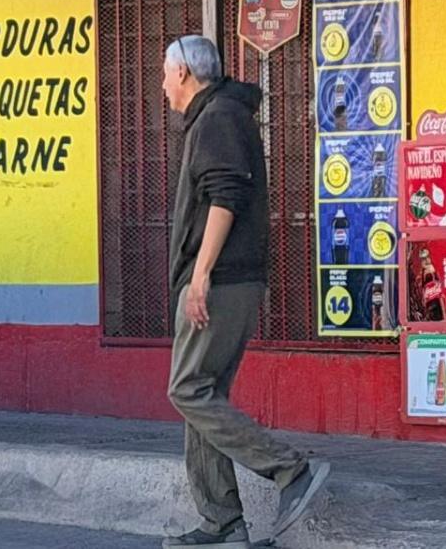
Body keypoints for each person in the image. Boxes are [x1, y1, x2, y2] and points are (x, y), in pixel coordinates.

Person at [161, 35, 329, 548]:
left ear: (183, 73)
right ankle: (223, 523)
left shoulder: (218, 117)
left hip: (222, 281)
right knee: (202, 395)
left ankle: (289, 469)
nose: (163, 85)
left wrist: (201, 275)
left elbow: (225, 198)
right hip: (222, 278)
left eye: (165, 74)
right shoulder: (217, 115)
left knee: (187, 389)